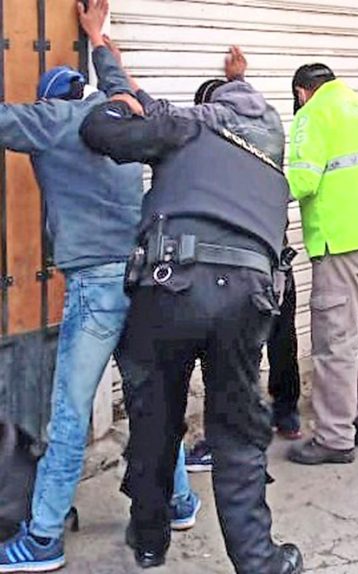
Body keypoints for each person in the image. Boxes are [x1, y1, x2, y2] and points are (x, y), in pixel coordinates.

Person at [0, 3, 198, 571]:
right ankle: (178, 500)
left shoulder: (50, 121)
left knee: (70, 412)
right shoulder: (119, 114)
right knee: (154, 404)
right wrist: (97, 35)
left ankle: (41, 539)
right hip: (145, 279)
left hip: (95, 290)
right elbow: (116, 79)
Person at [79, 81, 302, 570]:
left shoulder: (188, 128)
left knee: (153, 420)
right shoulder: (270, 166)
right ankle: (259, 561)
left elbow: (100, 132)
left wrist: (117, 104)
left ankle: (151, 540)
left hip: (168, 285)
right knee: (237, 432)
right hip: (246, 297)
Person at [126, 45, 302, 442]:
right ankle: (286, 415)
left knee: (230, 358)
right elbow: (242, 103)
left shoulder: (210, 122)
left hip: (229, 256)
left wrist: (116, 68)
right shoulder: (270, 121)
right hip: (273, 247)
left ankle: (229, 437)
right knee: (280, 335)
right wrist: (238, 79)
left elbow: (160, 114)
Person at [285, 64, 358, 465]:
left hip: (341, 239)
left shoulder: (312, 114)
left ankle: (335, 437)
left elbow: (302, 180)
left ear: (303, 91)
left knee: (336, 338)